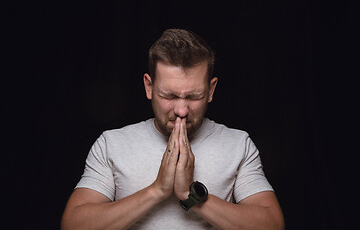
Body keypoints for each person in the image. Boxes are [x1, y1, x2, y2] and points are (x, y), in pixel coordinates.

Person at [61, 29, 284, 230]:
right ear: (149, 87)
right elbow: (73, 224)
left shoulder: (238, 144)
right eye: (169, 96)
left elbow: (272, 224)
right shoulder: (112, 143)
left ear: (211, 90)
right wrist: (156, 190)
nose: (181, 110)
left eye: (193, 96)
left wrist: (191, 195)